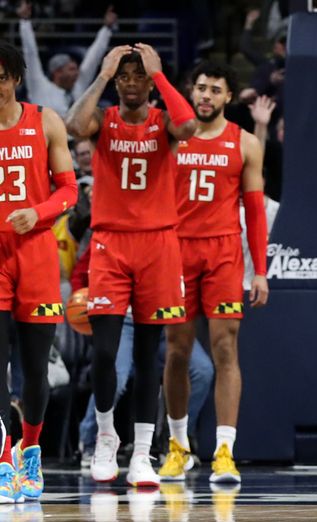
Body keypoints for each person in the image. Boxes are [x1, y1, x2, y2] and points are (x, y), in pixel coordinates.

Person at [65, 44, 197, 487]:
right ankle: (106, 437)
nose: (133, 82)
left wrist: (162, 76)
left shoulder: (163, 121)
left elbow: (189, 125)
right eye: (125, 76)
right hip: (111, 243)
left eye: (139, 75)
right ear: (117, 82)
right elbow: (72, 125)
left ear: (151, 79)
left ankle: (142, 453)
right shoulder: (104, 120)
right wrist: (100, 76)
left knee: (147, 357)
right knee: (104, 353)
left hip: (158, 244)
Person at [159, 62, 268, 484]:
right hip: (175, 250)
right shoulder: (170, 136)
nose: (206, 95)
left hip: (223, 252)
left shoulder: (244, 144)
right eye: (200, 88)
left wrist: (260, 271)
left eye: (215, 90)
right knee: (176, 352)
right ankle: (178, 446)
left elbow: (255, 213)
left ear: (227, 97)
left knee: (225, 349)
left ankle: (225, 451)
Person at [0, 41, 78, 502]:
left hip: (36, 254)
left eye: (1, 76)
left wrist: (40, 211)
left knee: (35, 371)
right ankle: (3, 459)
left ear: (15, 79)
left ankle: (31, 450)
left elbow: (70, 190)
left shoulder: (44, 120)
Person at [17, 1, 117, 117]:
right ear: (58, 72)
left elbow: (93, 58)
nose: (77, 72)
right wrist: (25, 22)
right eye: (71, 69)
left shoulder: (79, 85)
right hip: (46, 134)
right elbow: (30, 54)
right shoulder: (39, 86)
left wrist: (106, 29)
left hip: (77, 134)